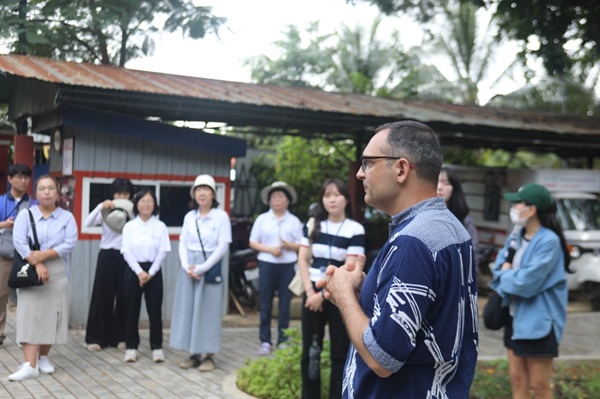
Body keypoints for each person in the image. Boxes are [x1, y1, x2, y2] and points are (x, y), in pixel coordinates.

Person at [319, 121, 478, 398]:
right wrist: (367, 291)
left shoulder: (412, 241)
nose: (359, 173)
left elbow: (383, 358)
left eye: (368, 162)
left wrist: (344, 295)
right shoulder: (452, 228)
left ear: (401, 169)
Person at [489, 183, 570, 399]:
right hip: (514, 319)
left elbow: (525, 283)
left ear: (532, 209)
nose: (514, 207)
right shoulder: (516, 236)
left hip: (539, 322)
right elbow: (497, 270)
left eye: (519, 203)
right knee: (517, 380)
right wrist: (508, 275)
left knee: (539, 387)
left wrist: (507, 274)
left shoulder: (549, 242)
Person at [298, 178, 365, 399]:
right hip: (311, 298)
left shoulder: (355, 229)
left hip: (338, 298)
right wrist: (310, 294)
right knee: (311, 352)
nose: (332, 199)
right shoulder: (311, 225)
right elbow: (303, 259)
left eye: (336, 194)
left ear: (346, 198)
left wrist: (321, 295)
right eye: (327, 195)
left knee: (340, 352)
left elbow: (349, 266)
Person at [8, 175, 78, 381]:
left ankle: (44, 357)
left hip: (57, 273)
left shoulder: (67, 218)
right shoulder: (25, 215)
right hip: (30, 271)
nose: (46, 192)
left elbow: (70, 243)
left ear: (57, 193)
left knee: (52, 316)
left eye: (51, 188)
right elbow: (19, 242)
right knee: (29, 316)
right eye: (42, 188)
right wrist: (37, 262)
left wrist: (45, 256)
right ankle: (30, 365)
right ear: (36, 193)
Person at [170, 174, 232, 372]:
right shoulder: (190, 217)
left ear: (213, 194)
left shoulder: (221, 217)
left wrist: (203, 268)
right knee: (188, 309)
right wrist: (186, 265)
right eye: (198, 189)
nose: (202, 193)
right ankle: (193, 354)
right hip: (189, 268)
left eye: (206, 189)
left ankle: (209, 355)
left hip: (210, 267)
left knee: (208, 311)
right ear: (194, 194)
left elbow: (223, 246)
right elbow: (183, 242)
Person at [249, 181, 303, 356]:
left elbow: (302, 245)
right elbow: (253, 242)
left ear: (288, 200)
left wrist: (289, 245)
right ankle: (265, 340)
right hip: (267, 264)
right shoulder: (262, 219)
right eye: (274, 197)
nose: (277, 199)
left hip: (287, 265)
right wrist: (270, 249)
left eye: (281, 196)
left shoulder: (294, 221)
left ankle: (283, 339)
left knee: (285, 304)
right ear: (269, 200)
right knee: (265, 302)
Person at [84, 178, 135, 351]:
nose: (122, 196)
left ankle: (120, 337)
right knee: (102, 296)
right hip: (107, 254)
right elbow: (87, 223)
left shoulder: (134, 211)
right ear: (113, 194)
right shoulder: (106, 209)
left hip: (127, 256)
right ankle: (96, 337)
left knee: (124, 297)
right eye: (119, 193)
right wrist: (100, 206)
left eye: (125, 193)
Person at [121, 189, 171, 363]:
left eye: (149, 201)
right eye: (142, 201)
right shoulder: (129, 226)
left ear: (154, 205)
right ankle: (131, 347)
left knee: (155, 311)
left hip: (153, 271)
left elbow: (163, 251)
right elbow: (126, 251)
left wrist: (150, 273)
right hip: (134, 270)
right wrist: (139, 272)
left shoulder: (160, 226)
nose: (146, 204)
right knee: (131, 310)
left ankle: (156, 347)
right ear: (137, 204)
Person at [0, 164, 35, 347]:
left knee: (28, 296)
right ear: (10, 179)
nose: (23, 181)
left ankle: (26, 335)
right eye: (19, 177)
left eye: (27, 177)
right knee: (1, 295)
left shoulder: (34, 204)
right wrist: (4, 224)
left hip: (27, 256)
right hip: (4, 255)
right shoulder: (1, 201)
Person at [437, 166, 479, 265]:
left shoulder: (463, 220)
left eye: (446, 183)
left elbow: (472, 253)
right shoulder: (419, 215)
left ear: (454, 188)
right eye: (436, 181)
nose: (439, 187)